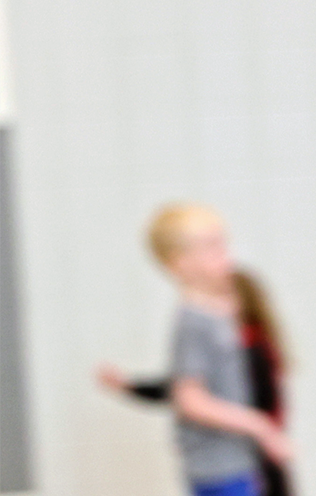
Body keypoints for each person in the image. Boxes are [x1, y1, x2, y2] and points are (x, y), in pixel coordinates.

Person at [135, 204, 292, 496]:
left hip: (238, 462)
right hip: (218, 468)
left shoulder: (215, 313)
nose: (225, 255)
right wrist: (259, 426)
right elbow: (189, 398)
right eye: (211, 247)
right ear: (180, 263)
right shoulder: (193, 321)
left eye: (223, 244)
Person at [98, 268, 293, 496]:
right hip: (238, 456)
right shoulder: (232, 344)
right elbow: (182, 387)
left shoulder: (248, 346)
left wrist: (263, 431)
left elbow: (191, 395)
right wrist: (131, 386)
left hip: (249, 459)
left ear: (241, 302)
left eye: (222, 296)